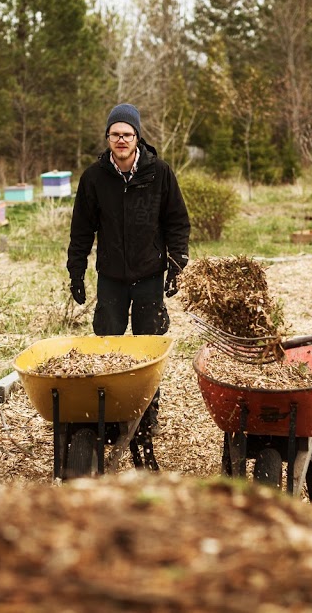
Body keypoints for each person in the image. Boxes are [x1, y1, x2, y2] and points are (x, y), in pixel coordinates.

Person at [67, 103, 191, 465]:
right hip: (112, 280)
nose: (121, 140)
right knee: (106, 345)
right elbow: (81, 230)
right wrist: (76, 271)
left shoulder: (160, 173)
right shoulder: (94, 178)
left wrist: (176, 266)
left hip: (149, 277)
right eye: (115, 134)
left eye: (127, 134)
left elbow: (177, 223)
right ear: (108, 138)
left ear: (138, 138)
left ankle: (146, 416)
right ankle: (109, 416)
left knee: (148, 349)